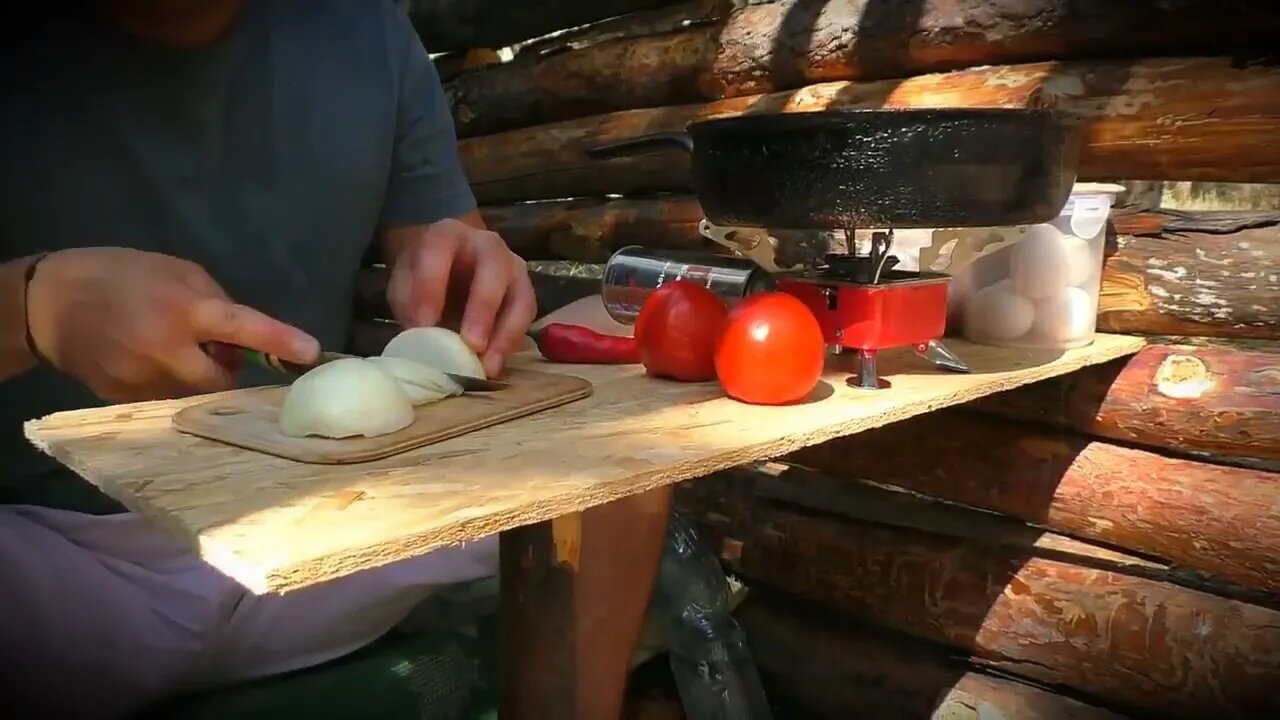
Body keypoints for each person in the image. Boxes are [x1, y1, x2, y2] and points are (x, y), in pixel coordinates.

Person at [0, 1, 538, 717]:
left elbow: (449, 287)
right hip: (47, 575)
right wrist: (35, 309)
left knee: (625, 433)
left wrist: (466, 292)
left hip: (336, 536)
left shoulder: (363, 26)